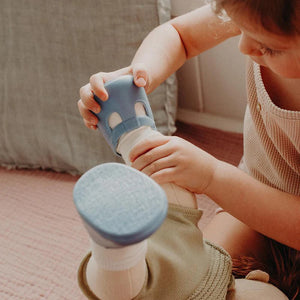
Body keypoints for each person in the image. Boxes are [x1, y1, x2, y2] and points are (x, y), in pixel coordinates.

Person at [78, 0, 300, 298]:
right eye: (240, 26)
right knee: (187, 278)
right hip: (254, 199)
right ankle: (117, 262)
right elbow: (180, 35)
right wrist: (140, 75)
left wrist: (211, 175)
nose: (243, 46)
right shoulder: (261, 12)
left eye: (269, 48)